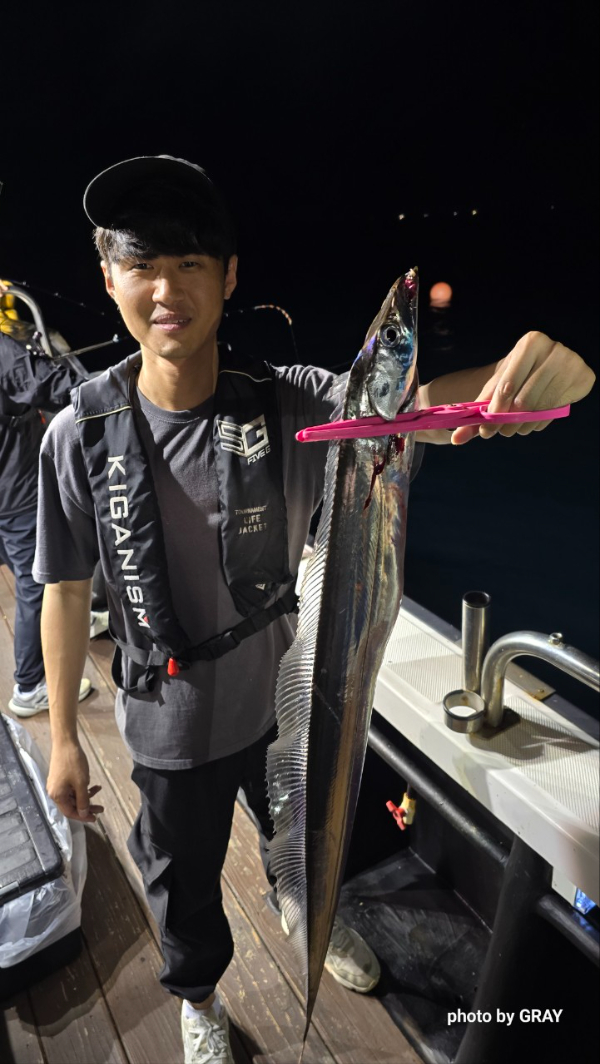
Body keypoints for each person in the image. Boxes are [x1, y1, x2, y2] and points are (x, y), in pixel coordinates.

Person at [33, 157, 595, 1064]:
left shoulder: (292, 403)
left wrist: (535, 379)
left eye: (189, 263)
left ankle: (308, 911)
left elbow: (412, 412)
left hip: (287, 702)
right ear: (108, 278)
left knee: (301, 830)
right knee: (183, 882)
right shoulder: (79, 434)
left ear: (230, 276)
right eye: (141, 264)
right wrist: (63, 735)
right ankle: (199, 997)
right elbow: (62, 590)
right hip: (169, 725)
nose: (166, 289)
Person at [0, 280, 94, 717]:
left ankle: (87, 613)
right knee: (36, 584)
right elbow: (47, 384)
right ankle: (29, 685)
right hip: (14, 491)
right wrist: (104, 389)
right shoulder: (4, 350)